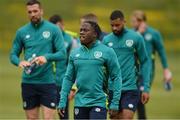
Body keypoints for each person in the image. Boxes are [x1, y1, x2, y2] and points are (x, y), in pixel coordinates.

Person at [9, 0, 66, 119]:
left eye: (35, 11)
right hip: (28, 82)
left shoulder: (53, 29)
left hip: (48, 82)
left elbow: (62, 53)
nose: (33, 14)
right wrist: (19, 62)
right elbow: (13, 55)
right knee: (31, 118)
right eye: (30, 12)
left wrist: (47, 57)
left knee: (49, 118)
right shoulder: (21, 32)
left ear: (41, 11)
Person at [58, 21, 122, 120]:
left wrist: (115, 102)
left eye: (85, 30)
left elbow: (116, 76)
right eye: (81, 30)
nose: (81, 32)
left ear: (95, 34)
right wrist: (62, 101)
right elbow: (68, 78)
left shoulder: (107, 52)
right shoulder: (75, 54)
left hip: (99, 101)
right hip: (80, 103)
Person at [103, 10, 150, 119]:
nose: (114, 28)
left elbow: (145, 61)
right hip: (112, 89)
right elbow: (103, 67)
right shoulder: (106, 40)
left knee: (127, 117)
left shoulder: (136, 38)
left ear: (124, 22)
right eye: (112, 25)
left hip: (131, 87)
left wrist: (146, 88)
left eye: (117, 25)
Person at [131, 10, 172, 119]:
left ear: (141, 21)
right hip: (132, 71)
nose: (132, 24)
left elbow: (161, 52)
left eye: (134, 21)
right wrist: (138, 33)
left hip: (147, 71)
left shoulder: (153, 34)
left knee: (139, 96)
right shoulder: (131, 34)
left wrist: (166, 69)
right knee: (135, 97)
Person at [49, 14, 75, 120]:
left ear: (61, 25)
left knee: (63, 114)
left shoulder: (69, 40)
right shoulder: (47, 39)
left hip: (63, 83)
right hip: (48, 82)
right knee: (48, 114)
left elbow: (74, 65)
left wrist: (72, 86)